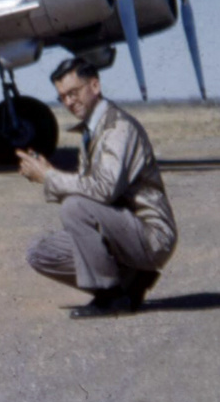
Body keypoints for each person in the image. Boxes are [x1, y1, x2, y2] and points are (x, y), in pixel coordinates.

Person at [16, 57, 178, 318]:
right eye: (62, 97)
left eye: (74, 92)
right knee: (41, 253)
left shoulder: (118, 127)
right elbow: (88, 194)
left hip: (150, 235)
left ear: (94, 85)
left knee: (74, 208)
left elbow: (103, 190)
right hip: (122, 233)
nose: (69, 102)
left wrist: (49, 177)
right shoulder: (91, 132)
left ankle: (110, 296)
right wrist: (47, 173)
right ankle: (132, 279)